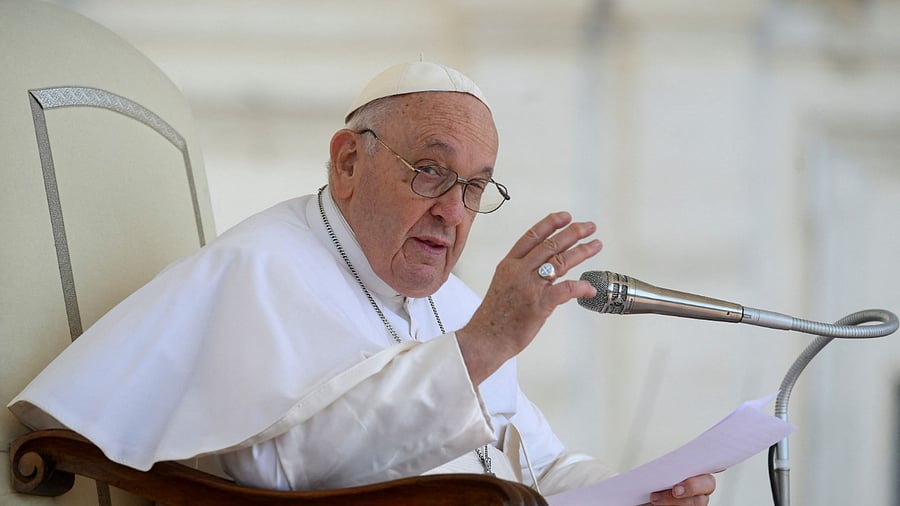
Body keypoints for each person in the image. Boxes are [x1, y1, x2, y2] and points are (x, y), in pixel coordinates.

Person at [9, 61, 716, 504]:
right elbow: (279, 472)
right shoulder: (258, 268)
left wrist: (636, 494)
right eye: (431, 171)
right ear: (348, 162)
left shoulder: (457, 303)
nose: (450, 211)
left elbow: (539, 464)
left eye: (473, 187)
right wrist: (479, 348)